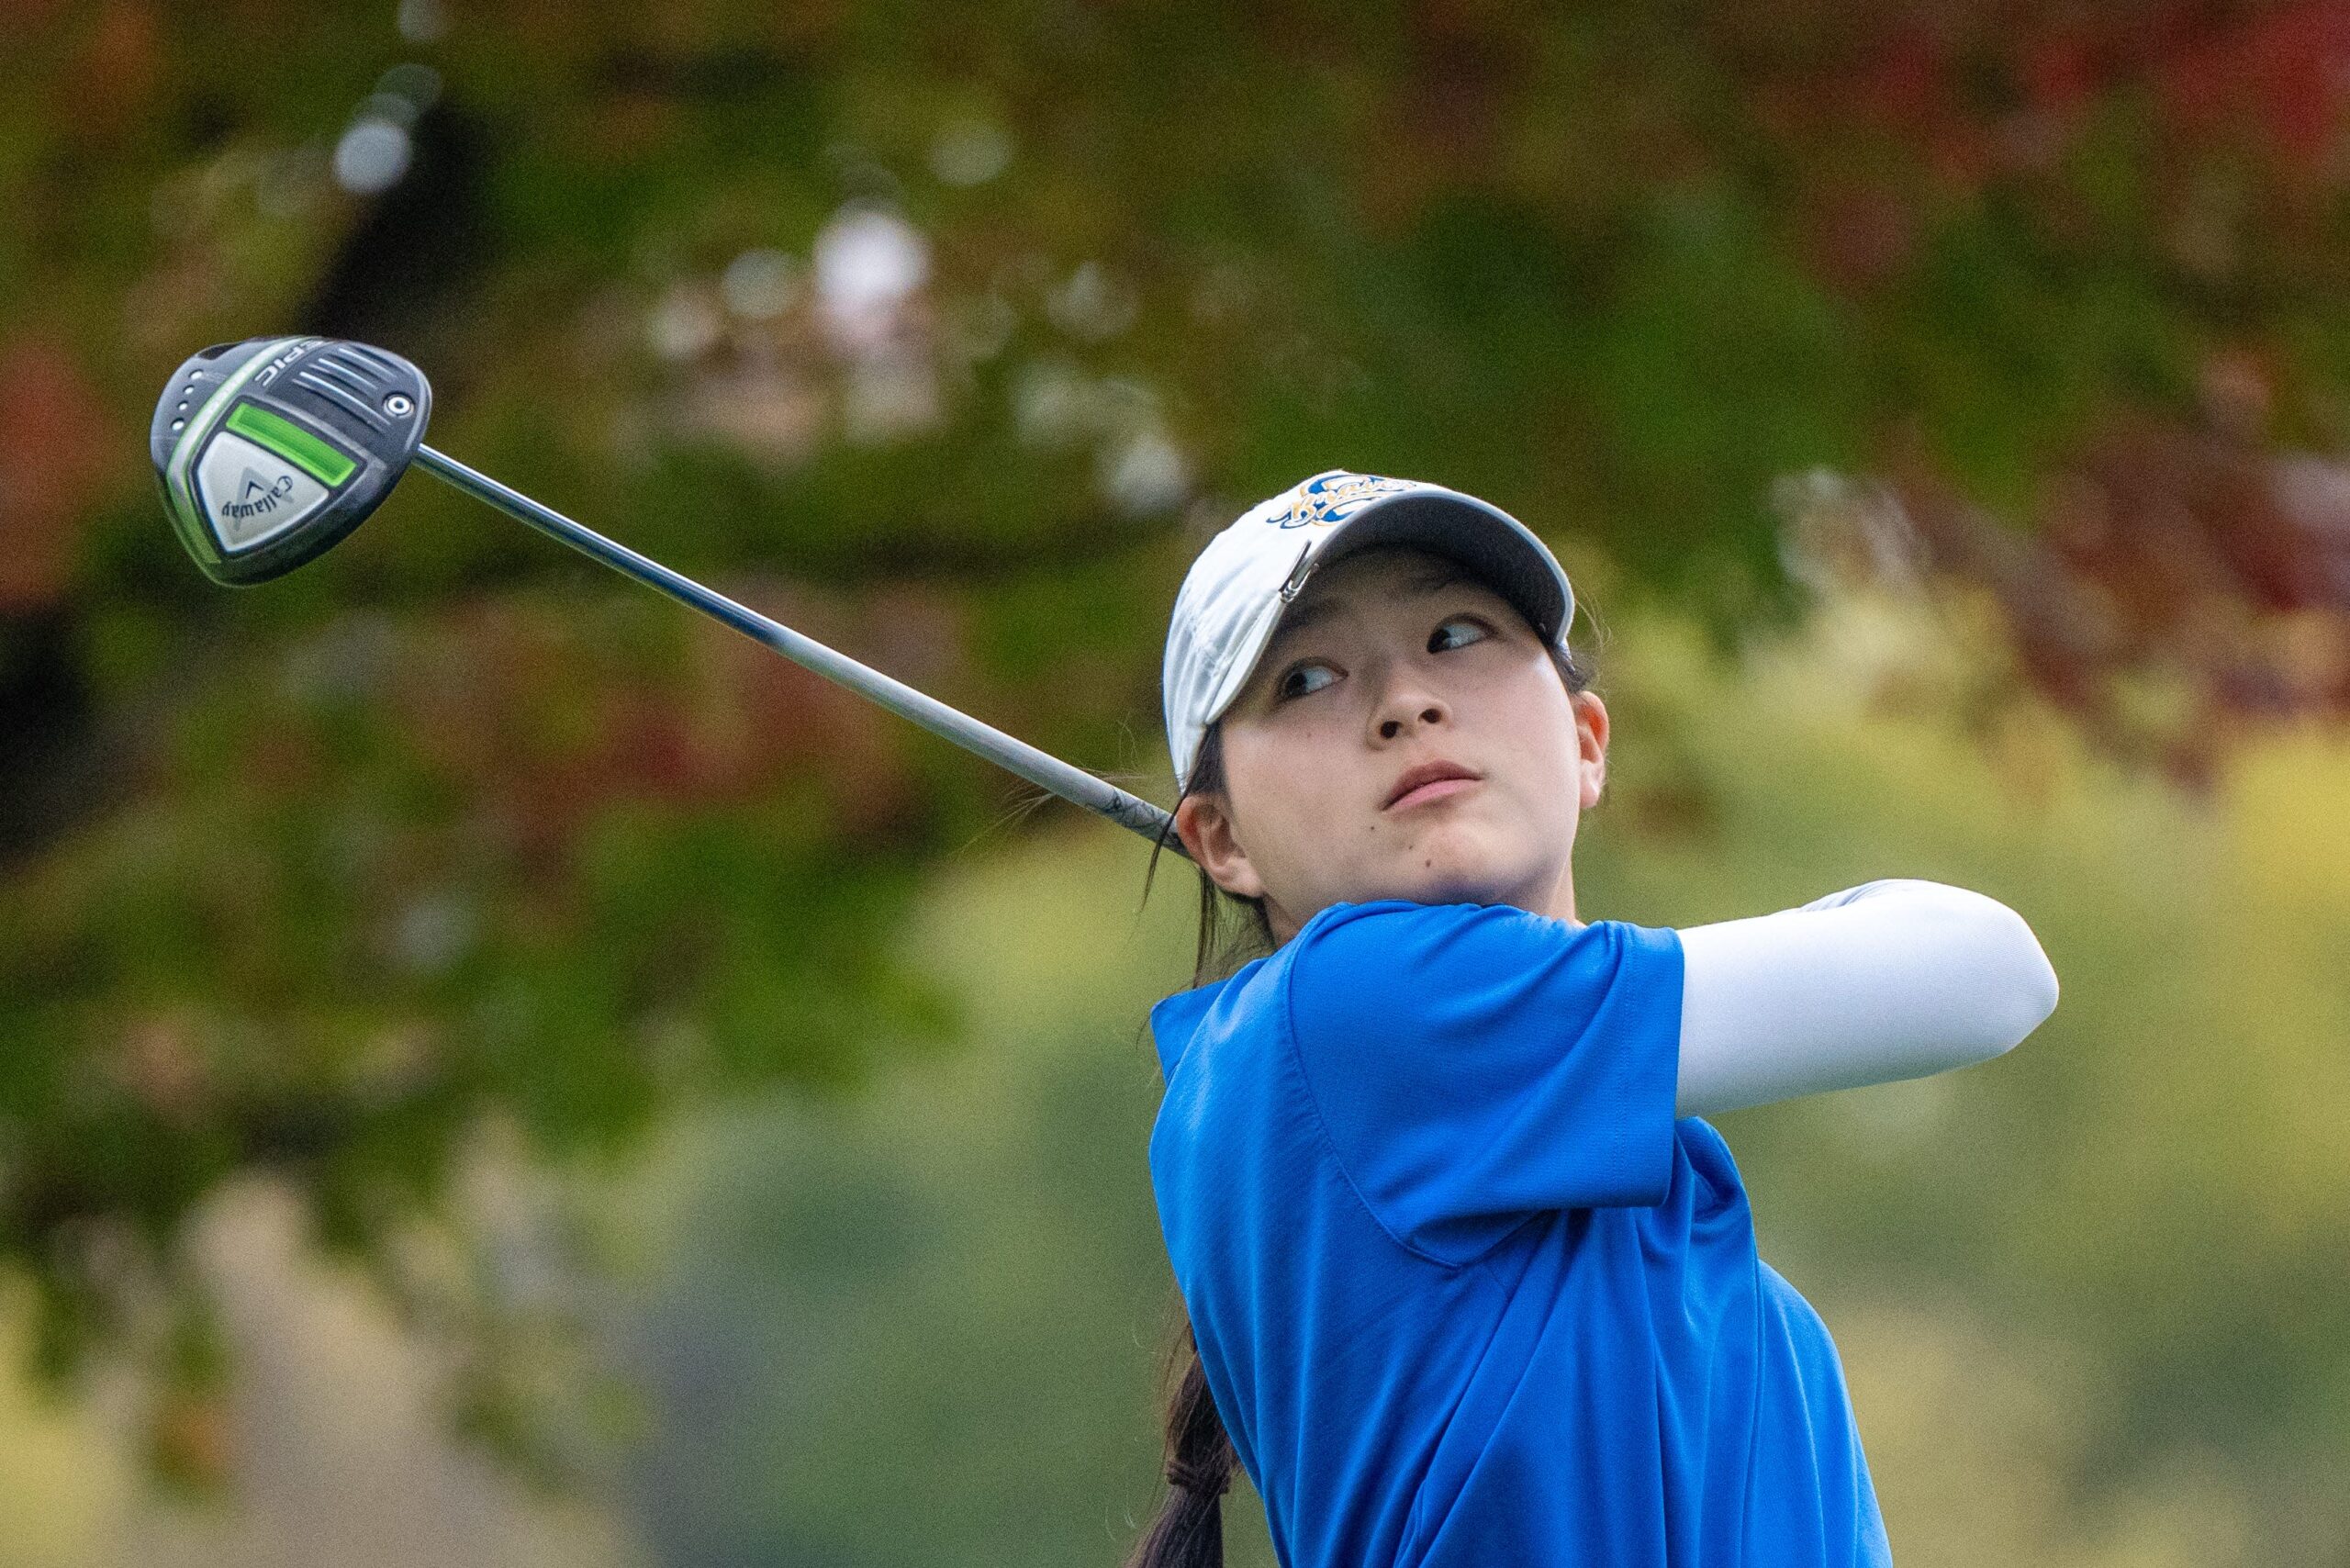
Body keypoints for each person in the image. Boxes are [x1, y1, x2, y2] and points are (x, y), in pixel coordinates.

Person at [1127, 470, 2062, 1568]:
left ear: (1585, 740)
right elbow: (1986, 969)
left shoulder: (1766, 1336)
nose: (1402, 700)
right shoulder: (1344, 1010)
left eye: (1457, 632)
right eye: (1306, 677)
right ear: (1220, 840)